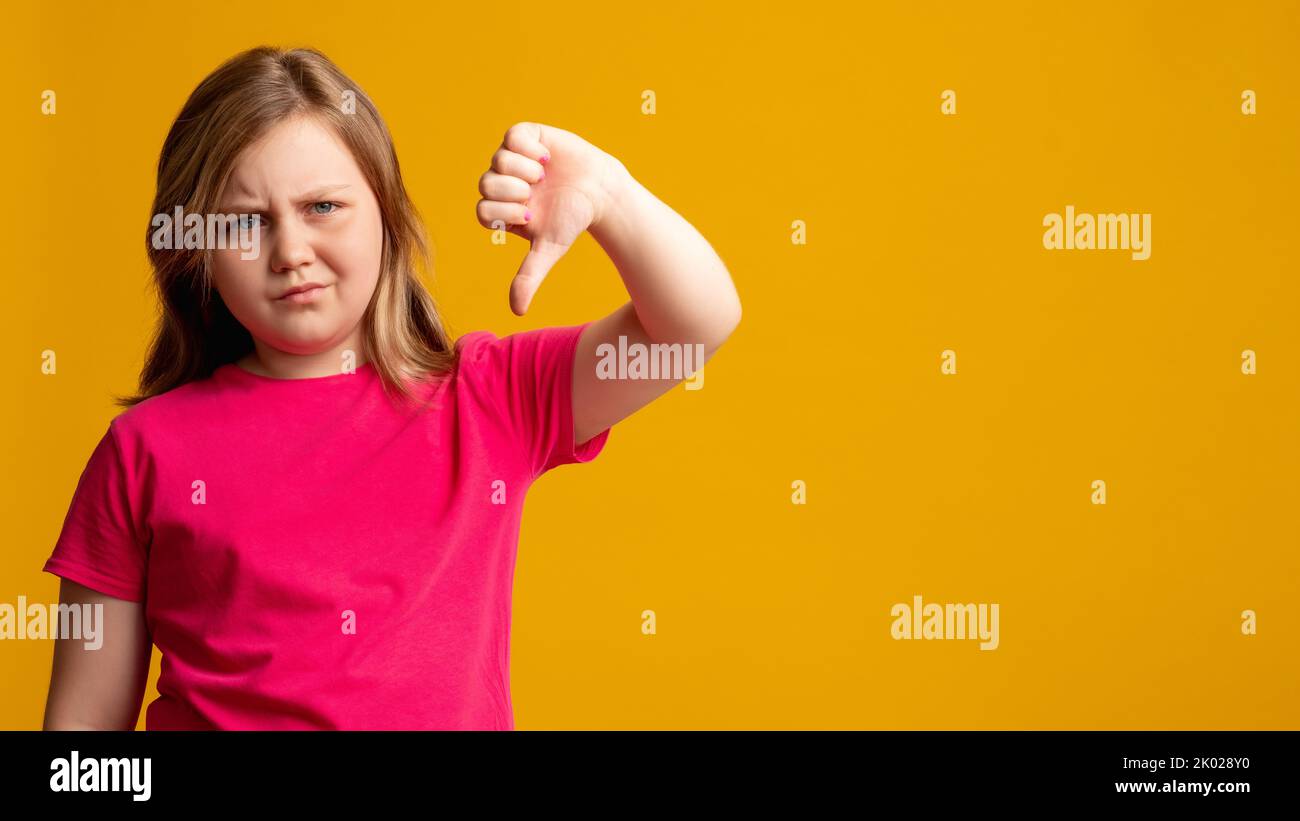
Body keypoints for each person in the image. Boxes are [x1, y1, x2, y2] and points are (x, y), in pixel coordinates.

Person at [41, 46, 741, 730]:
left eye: (322, 206)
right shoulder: (143, 452)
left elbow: (694, 325)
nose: (290, 252)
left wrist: (610, 194)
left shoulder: (488, 399)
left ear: (386, 212)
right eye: (246, 222)